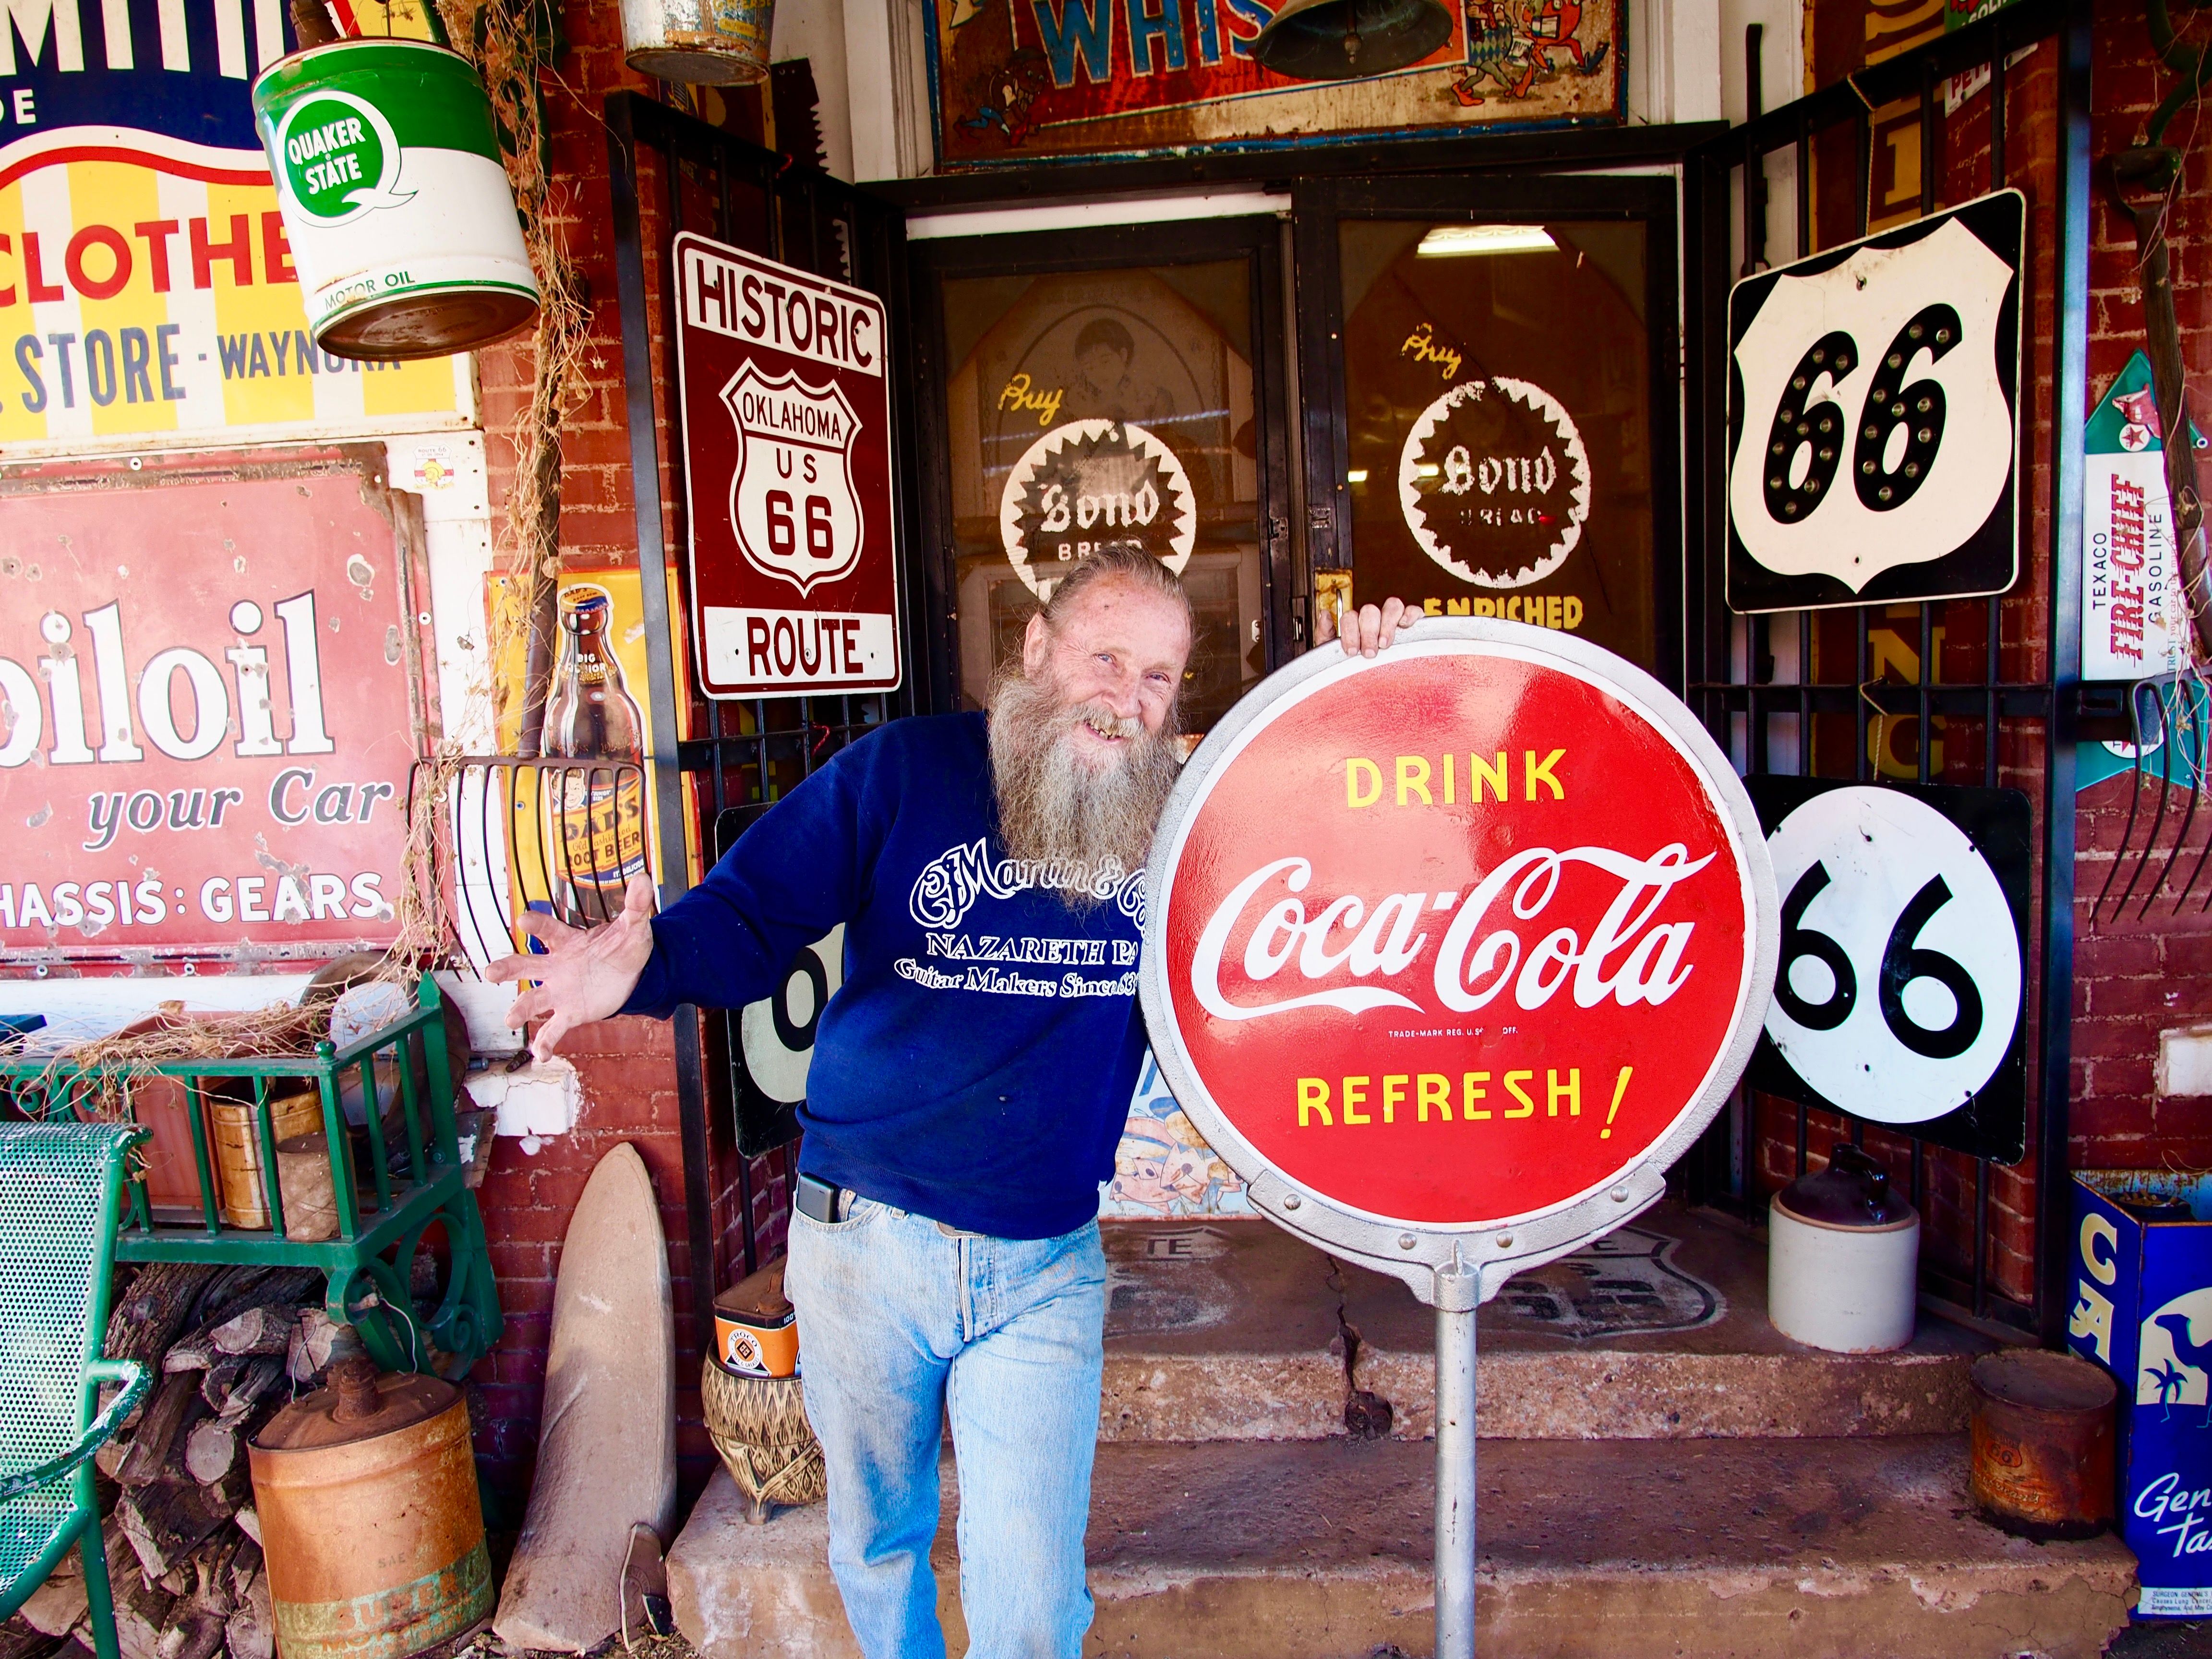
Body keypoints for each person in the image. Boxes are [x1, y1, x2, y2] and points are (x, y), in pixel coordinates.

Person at [492, 547, 1409, 1658]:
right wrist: (640, 968)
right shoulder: (904, 772)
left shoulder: (1185, 817)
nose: (1127, 698)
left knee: (1032, 1608)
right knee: (879, 1550)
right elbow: (751, 918)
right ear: (1036, 649)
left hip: (1043, 1264)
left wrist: (1371, 687)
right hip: (863, 1249)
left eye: (1158, 677)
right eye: (1105, 658)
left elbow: (1331, 845)